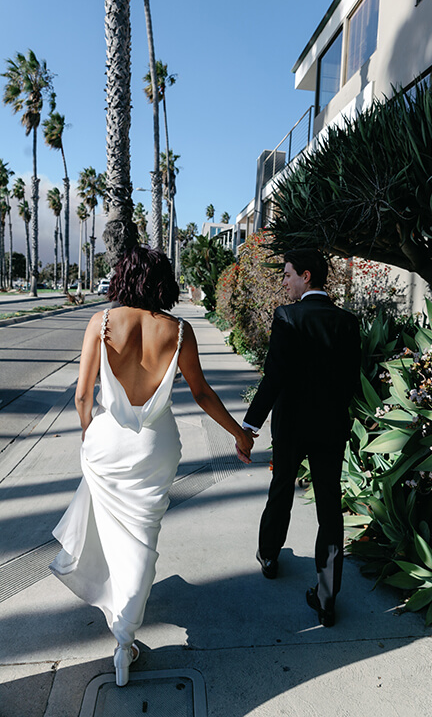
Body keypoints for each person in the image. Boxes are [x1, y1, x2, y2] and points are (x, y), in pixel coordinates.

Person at [50, 245, 253, 686]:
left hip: (107, 444)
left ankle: (117, 620)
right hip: (155, 448)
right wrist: (239, 433)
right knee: (142, 537)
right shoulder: (179, 331)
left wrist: (90, 434)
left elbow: (84, 395)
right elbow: (201, 394)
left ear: (124, 277)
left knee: (109, 531)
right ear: (163, 281)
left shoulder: (101, 323)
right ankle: (125, 641)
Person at [243, 248, 361, 627]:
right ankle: (327, 599)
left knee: (281, 488)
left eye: (288, 274)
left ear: (307, 276)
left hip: (292, 425)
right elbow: (351, 383)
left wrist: (250, 426)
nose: (284, 281)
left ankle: (269, 556)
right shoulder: (348, 322)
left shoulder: (288, 317)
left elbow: (274, 377)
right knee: (330, 506)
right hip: (331, 428)